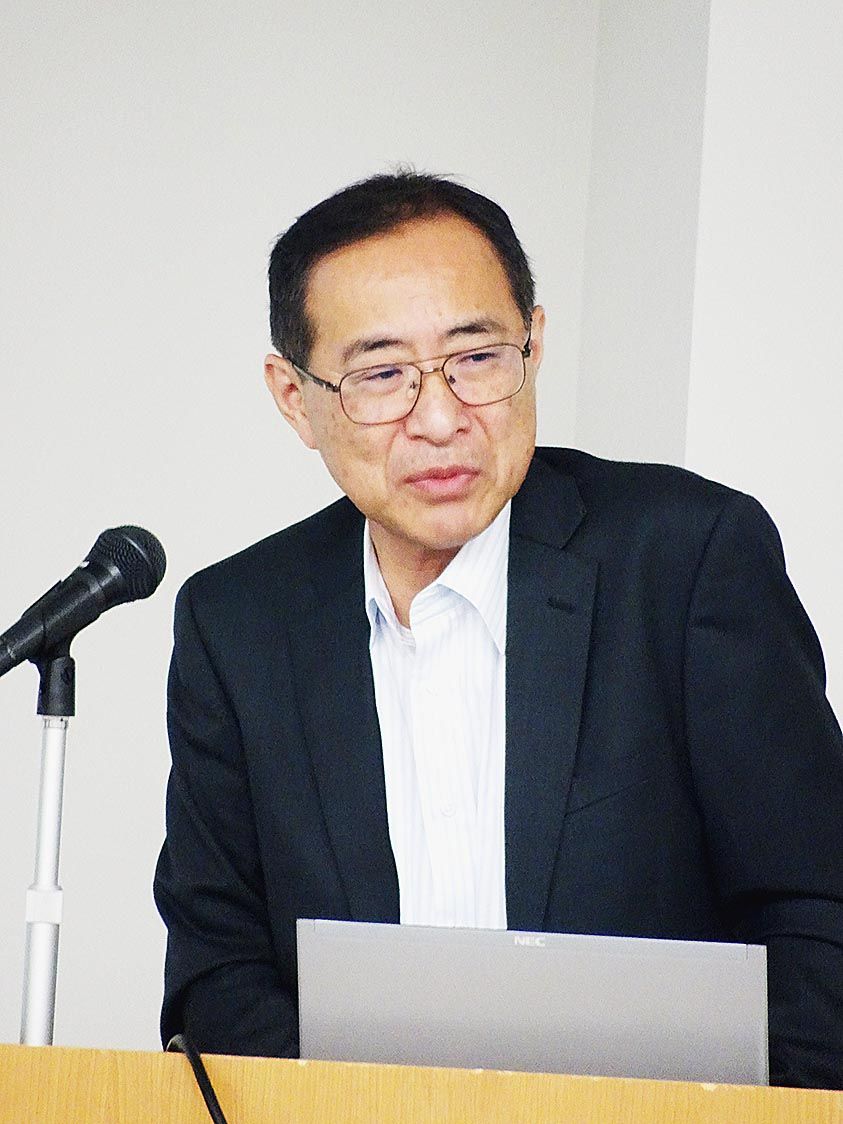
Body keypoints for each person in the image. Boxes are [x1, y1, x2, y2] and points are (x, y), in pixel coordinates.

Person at [154, 171, 843, 1088]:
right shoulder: (239, 623)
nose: (441, 420)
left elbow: (816, 911)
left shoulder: (683, 559)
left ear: (534, 345)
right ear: (294, 398)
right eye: (381, 375)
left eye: (477, 358)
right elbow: (217, 968)